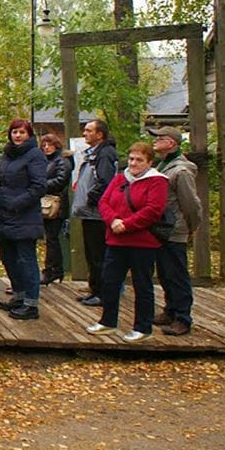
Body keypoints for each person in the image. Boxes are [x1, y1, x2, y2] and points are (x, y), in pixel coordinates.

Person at [86, 141, 168, 342]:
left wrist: (127, 224)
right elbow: (104, 201)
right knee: (109, 282)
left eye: (139, 160)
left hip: (142, 242)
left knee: (142, 285)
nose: (133, 163)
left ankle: (143, 326)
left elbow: (153, 210)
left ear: (149, 162)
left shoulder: (157, 181)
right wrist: (113, 220)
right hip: (116, 240)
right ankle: (108, 321)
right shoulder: (120, 178)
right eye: (131, 159)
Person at [148, 126, 202, 336]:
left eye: (159, 138)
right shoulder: (163, 166)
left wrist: (191, 227)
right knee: (165, 273)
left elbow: (191, 204)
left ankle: (182, 318)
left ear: (171, 143)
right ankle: (170, 310)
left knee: (177, 275)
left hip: (175, 229)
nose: (155, 141)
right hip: (161, 229)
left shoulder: (181, 171)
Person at [0, 119, 48, 320]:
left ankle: (31, 303)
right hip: (5, 214)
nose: (17, 135)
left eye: (22, 132)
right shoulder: (8, 154)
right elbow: (4, 183)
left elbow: (39, 186)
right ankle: (19, 295)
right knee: (7, 256)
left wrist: (17, 203)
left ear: (29, 135)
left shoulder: (35, 155)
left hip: (25, 215)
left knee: (26, 259)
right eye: (14, 132)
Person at [70, 119, 119, 306]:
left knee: (99, 255)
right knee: (92, 255)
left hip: (97, 213)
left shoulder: (104, 154)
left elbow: (105, 182)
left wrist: (91, 199)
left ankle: (103, 294)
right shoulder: (94, 153)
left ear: (100, 134)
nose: (84, 133)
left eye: (89, 130)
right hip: (89, 212)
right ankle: (95, 289)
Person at [40, 133, 73, 285]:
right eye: (44, 145)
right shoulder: (47, 160)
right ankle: (55, 270)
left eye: (49, 144)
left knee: (52, 238)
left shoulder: (62, 160)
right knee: (51, 238)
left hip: (56, 204)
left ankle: (51, 270)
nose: (46, 148)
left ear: (56, 145)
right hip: (47, 202)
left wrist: (41, 185)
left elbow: (61, 180)